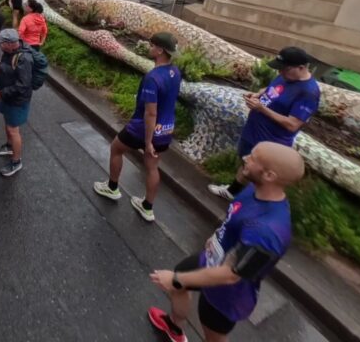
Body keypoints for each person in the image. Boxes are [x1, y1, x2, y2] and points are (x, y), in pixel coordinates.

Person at [148, 142, 305, 342]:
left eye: (254, 158)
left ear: (269, 175)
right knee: (178, 282)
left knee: (212, 332)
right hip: (210, 260)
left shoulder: (268, 231)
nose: (246, 157)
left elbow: (231, 276)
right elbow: (234, 218)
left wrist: (176, 279)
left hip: (227, 293)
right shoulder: (254, 189)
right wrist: (216, 236)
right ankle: (174, 328)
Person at [209, 47, 320, 201]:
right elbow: (272, 90)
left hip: (271, 140)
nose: (280, 73)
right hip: (253, 131)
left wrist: (262, 109)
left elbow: (292, 124)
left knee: (260, 175)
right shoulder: (286, 76)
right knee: (247, 163)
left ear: (301, 68)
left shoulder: (308, 93)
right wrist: (258, 94)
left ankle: (251, 204)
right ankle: (232, 192)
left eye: (285, 69)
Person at [93, 33, 182, 221]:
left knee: (116, 148)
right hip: (165, 131)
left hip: (143, 129)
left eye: (152, 45)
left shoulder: (153, 78)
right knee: (152, 166)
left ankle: (112, 188)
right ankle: (147, 207)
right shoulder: (175, 72)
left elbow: (151, 113)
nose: (150, 47)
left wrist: (148, 142)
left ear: (160, 50)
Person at [0, 29, 32, 177]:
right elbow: (3, 73)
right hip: (7, 96)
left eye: (1, 43)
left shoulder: (23, 59)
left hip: (17, 100)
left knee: (13, 130)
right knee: (8, 124)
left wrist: (2, 92)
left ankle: (16, 161)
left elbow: (23, 85)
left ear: (9, 44)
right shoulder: (9, 53)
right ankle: (9, 146)